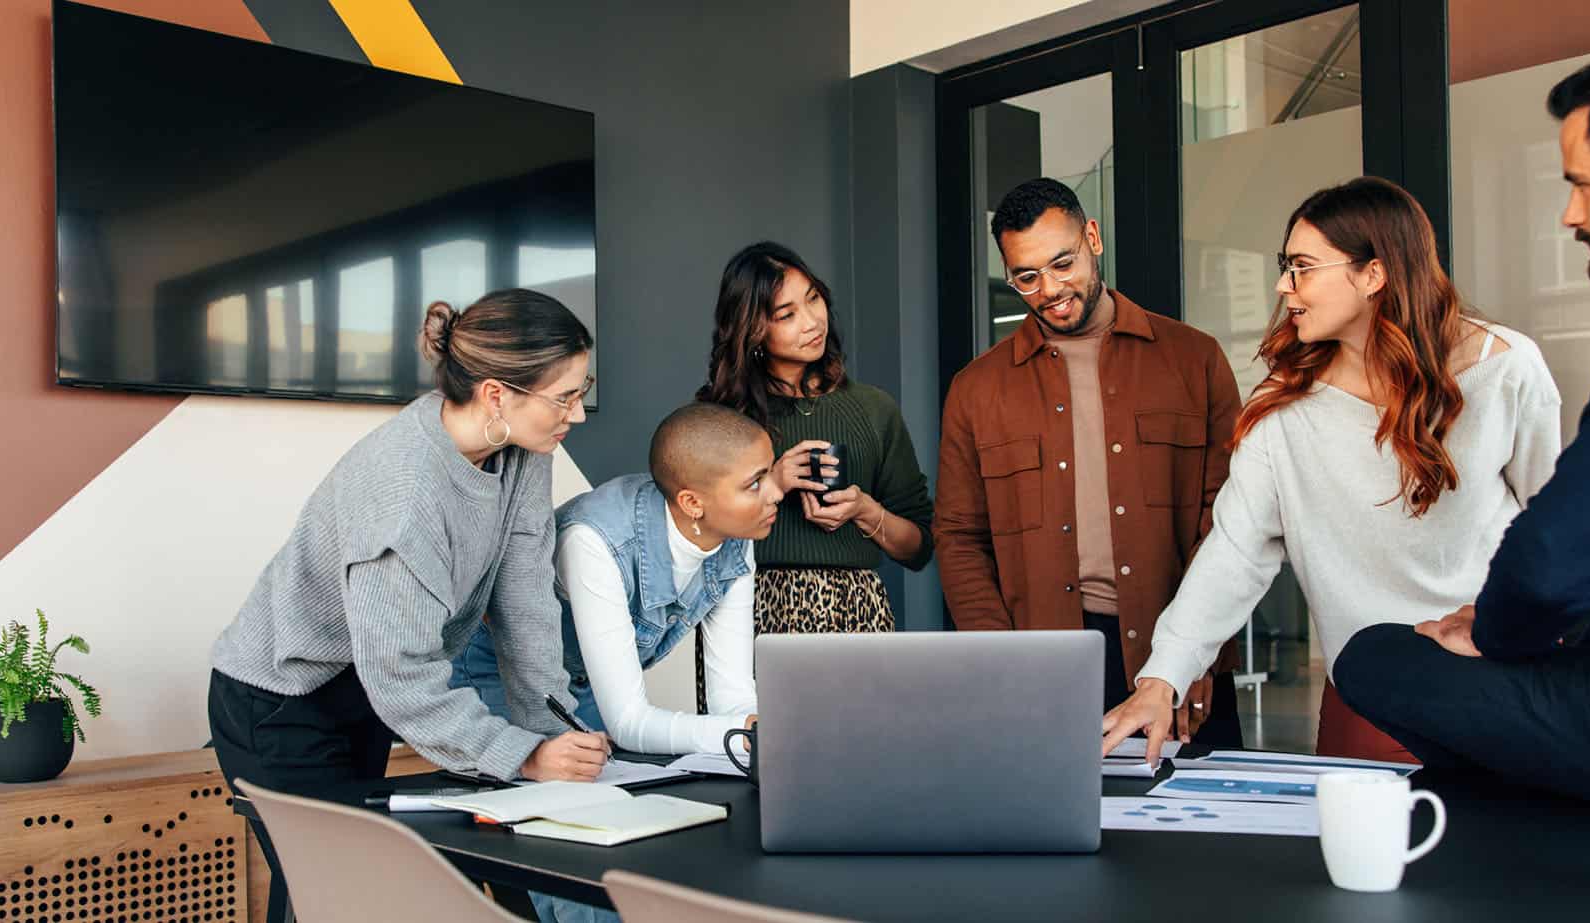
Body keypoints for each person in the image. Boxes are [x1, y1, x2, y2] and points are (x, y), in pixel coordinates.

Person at [1334, 36, 1590, 823]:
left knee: (1377, 657)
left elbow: (1559, 558)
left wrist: (1492, 632)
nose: (1571, 214)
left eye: (1581, 185)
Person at [1100, 177, 1562, 763]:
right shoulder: (1283, 406)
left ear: (1373, 274)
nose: (1282, 286)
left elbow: (1552, 531)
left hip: (1499, 689)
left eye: (1301, 267)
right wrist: (1161, 678)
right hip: (1365, 702)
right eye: (1284, 266)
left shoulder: (1507, 369)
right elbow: (1235, 553)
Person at [206, 290, 609, 923]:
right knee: (336, 894)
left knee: (355, 894)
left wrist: (555, 730)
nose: (577, 415)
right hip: (280, 700)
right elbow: (401, 679)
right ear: (498, 394)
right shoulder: (402, 491)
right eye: (565, 396)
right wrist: (524, 757)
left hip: (363, 690)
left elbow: (525, 600)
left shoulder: (523, 451)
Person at [937, 177, 1246, 749]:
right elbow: (959, 537)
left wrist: (1195, 655)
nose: (1050, 289)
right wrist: (999, 660)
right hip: (1042, 666)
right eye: (1026, 277)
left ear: (1093, 238)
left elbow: (1228, 524)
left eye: (1063, 263)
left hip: (1176, 653)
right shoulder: (975, 390)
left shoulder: (1194, 360)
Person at [487, 403, 781, 923]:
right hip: (503, 669)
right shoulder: (596, 542)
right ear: (693, 501)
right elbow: (629, 723)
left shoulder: (736, 542)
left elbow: (733, 697)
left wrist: (753, 728)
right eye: (755, 483)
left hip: (585, 683)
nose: (776, 493)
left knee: (627, 833)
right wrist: (741, 734)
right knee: (573, 851)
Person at [694, 242, 935, 706]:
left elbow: (920, 547)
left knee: (865, 762)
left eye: (813, 299)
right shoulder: (720, 417)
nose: (812, 321)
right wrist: (773, 484)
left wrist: (865, 511)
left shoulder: (873, 409)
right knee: (754, 763)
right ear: (751, 329)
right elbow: (691, 538)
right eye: (786, 314)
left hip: (858, 614)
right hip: (746, 616)